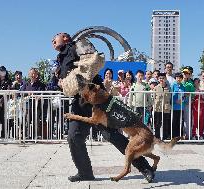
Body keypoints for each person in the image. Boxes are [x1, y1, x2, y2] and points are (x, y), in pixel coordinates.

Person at [52, 32, 155, 182]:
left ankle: (145, 168)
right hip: (79, 101)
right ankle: (85, 172)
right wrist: (61, 82)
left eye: (55, 38)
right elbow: (63, 83)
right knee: (74, 136)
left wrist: (77, 76)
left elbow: (94, 60)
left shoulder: (78, 45)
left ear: (66, 38)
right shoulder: (60, 59)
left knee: (111, 135)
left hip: (97, 97)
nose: (52, 41)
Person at [152, 73, 171, 139]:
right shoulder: (156, 88)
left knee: (165, 123)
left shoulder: (169, 88)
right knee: (157, 123)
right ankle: (157, 137)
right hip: (158, 108)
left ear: (165, 79)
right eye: (160, 78)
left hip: (166, 108)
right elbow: (153, 98)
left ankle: (165, 136)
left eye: (163, 78)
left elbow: (170, 97)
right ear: (158, 79)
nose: (161, 79)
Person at [171, 72, 185, 137]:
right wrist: (175, 101)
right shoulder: (173, 85)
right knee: (174, 122)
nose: (178, 79)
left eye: (180, 78)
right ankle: (174, 136)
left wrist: (182, 100)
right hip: (174, 107)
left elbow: (185, 96)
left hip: (181, 107)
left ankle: (180, 136)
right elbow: (170, 95)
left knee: (181, 122)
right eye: (177, 78)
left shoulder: (183, 86)